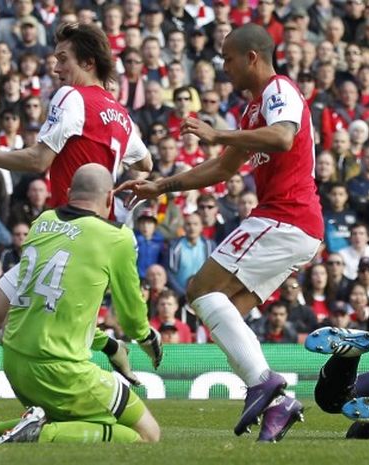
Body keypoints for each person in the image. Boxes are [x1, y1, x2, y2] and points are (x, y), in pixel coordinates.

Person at [117, 23, 322, 442]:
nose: (223, 66)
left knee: (198, 289)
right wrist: (162, 185)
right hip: (292, 224)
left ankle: (264, 384)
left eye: (228, 58)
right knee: (220, 307)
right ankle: (278, 402)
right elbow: (224, 168)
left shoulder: (279, 90)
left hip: (286, 216)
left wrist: (217, 133)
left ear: (252, 57)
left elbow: (284, 137)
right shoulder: (251, 110)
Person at [0, 164, 162, 444]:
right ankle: (41, 433)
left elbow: (39, 308)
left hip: (15, 363)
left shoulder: (42, 222)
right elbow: (132, 318)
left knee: (74, 421)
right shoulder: (117, 237)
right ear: (110, 198)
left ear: (67, 193)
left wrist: (107, 344)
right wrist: (148, 338)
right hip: (61, 370)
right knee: (147, 434)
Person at [0, 22, 153, 210]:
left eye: (63, 59)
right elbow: (146, 163)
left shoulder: (72, 96)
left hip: (71, 225)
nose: (56, 68)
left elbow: (39, 160)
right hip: (104, 227)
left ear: (88, 63)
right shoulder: (121, 113)